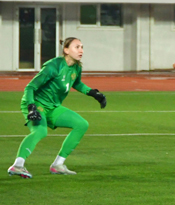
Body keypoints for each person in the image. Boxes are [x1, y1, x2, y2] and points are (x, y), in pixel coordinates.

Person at [8, 37, 107, 178]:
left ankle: (58, 165)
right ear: (66, 50)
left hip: (53, 107)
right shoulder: (53, 66)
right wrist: (31, 107)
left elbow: (76, 83)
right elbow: (30, 87)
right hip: (36, 104)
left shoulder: (76, 67)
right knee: (40, 131)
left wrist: (93, 93)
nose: (81, 50)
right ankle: (17, 165)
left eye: (82, 47)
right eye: (77, 47)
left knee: (81, 124)